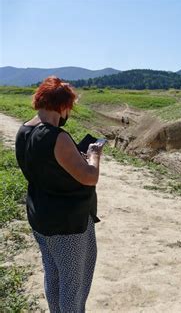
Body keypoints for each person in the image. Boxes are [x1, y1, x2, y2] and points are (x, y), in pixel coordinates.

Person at [15, 76, 104, 312]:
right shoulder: (57, 137)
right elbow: (89, 177)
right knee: (73, 285)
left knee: (53, 276)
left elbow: (49, 168)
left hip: (40, 216)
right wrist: (94, 154)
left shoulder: (23, 131)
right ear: (63, 106)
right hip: (68, 224)